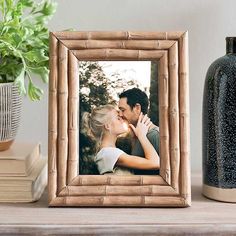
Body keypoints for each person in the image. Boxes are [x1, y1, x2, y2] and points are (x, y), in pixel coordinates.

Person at [82, 105, 160, 175]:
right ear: (108, 126)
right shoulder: (108, 153)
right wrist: (142, 135)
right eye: (118, 118)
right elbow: (156, 163)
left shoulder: (109, 152)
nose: (123, 120)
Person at [118, 88, 160, 175]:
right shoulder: (134, 135)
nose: (120, 115)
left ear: (137, 108)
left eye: (123, 110)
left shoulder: (155, 135)